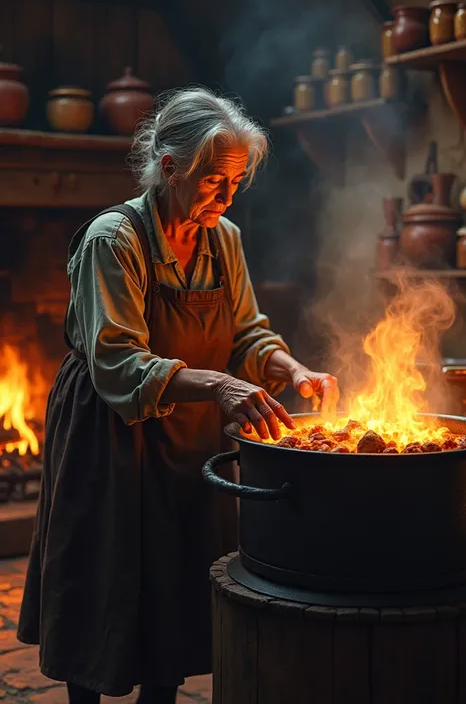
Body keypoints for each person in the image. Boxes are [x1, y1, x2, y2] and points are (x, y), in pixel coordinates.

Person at [17, 87, 338, 703]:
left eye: (237, 182)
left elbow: (246, 331)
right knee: (103, 578)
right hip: (110, 432)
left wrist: (292, 369)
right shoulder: (115, 240)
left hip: (188, 435)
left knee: (174, 583)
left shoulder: (225, 239)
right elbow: (118, 361)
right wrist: (219, 383)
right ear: (170, 168)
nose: (228, 195)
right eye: (216, 180)